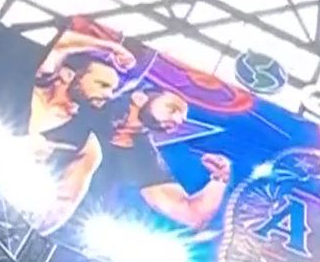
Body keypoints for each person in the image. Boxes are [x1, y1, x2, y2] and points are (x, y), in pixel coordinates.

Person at [41, 84, 232, 234]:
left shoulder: (144, 157)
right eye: (172, 109)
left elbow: (191, 214)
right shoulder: (91, 107)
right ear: (139, 98)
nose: (178, 120)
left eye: (182, 118)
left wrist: (220, 179)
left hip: (62, 230)